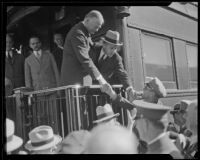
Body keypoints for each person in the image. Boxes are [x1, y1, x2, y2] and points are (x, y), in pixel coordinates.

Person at [60, 10, 108, 87]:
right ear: (87, 20)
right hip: (74, 82)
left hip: (80, 80)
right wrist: (100, 78)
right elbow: (84, 58)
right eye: (96, 27)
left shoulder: (84, 32)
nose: (97, 30)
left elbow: (91, 45)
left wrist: (104, 45)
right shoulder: (77, 33)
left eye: (98, 28)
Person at [89, 30, 137, 102]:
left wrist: (129, 89)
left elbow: (122, 74)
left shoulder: (116, 58)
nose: (114, 51)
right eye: (112, 48)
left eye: (115, 48)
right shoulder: (93, 49)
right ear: (104, 44)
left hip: (102, 94)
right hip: (87, 90)